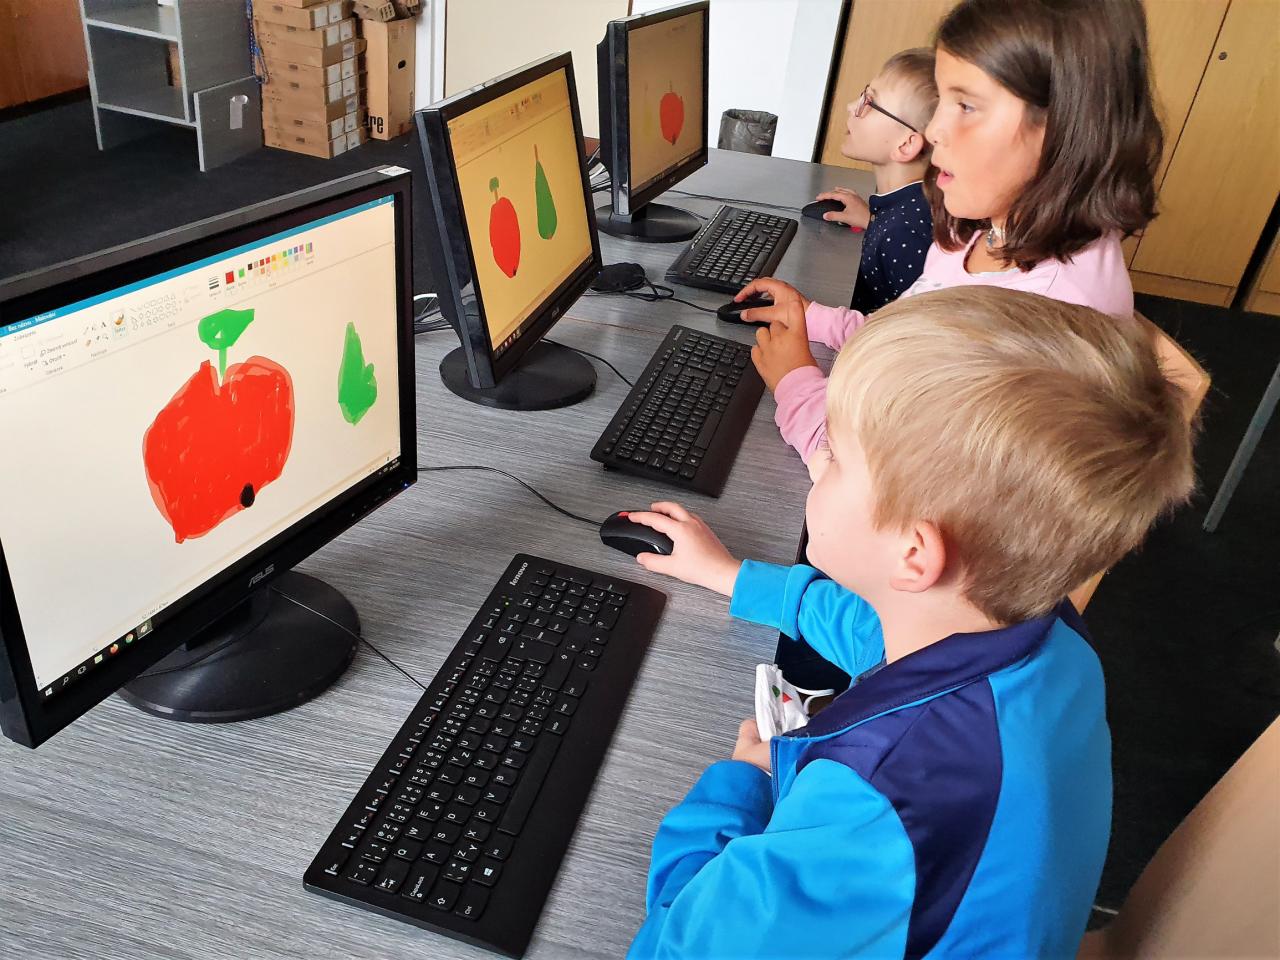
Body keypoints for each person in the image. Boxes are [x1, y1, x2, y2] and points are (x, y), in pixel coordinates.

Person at [623, 287, 1196, 959]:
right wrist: (729, 576)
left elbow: (674, 949)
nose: (819, 472)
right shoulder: (1050, 640)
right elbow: (877, 630)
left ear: (915, 553)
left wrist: (740, 786)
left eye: (835, 458)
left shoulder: (876, 801)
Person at [742, 0, 1163, 464]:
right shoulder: (981, 230)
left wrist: (796, 384)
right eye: (942, 99)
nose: (935, 129)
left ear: (1069, 127)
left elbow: (878, 476)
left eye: (966, 105)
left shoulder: (1039, 326)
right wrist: (814, 317)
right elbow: (907, 338)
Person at [814, 48, 937, 313]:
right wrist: (872, 222)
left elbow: (916, 329)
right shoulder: (906, 208)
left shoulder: (905, 233)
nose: (851, 107)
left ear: (906, 145)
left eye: (868, 102)